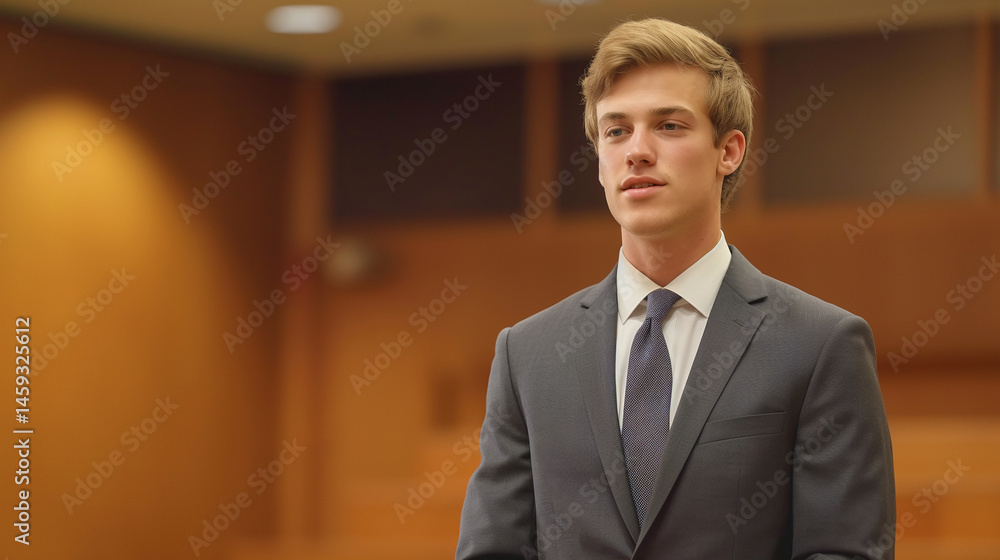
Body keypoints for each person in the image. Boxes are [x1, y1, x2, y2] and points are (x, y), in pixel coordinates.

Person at [456, 17, 895, 560]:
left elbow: (843, 551)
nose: (636, 150)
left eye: (668, 125)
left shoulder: (821, 344)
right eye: (616, 130)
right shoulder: (527, 354)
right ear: (599, 162)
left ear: (728, 152)